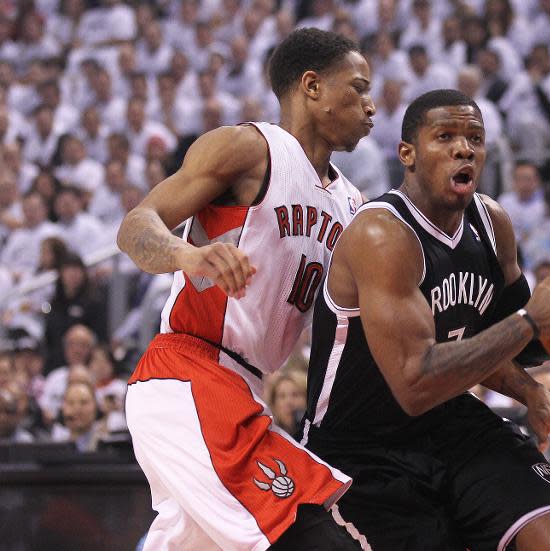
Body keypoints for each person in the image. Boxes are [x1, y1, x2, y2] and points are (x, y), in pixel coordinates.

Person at [303, 89, 550, 551]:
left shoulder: (492, 223)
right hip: (362, 447)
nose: (464, 148)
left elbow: (513, 344)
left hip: (452, 421)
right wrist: (532, 321)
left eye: (474, 138)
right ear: (407, 154)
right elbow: (415, 382)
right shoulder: (382, 234)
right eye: (445, 136)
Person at [116, 28, 375, 550]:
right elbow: (135, 227)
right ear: (312, 86)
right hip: (188, 374)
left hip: (245, 390)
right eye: (359, 88)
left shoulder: (354, 205)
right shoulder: (249, 149)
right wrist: (189, 255)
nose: (371, 106)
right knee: (319, 538)